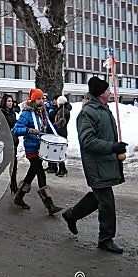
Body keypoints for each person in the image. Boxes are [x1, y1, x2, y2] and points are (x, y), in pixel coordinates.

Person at [62, 77, 127, 254]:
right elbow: (87, 141)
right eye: (107, 91)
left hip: (105, 162)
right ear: (100, 93)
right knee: (107, 202)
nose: (110, 93)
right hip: (96, 165)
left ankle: (71, 215)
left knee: (98, 197)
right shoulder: (88, 112)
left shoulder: (103, 110)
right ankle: (105, 239)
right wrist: (112, 147)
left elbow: (103, 134)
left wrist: (115, 146)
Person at [12, 88, 64, 215]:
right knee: (41, 174)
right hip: (31, 149)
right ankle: (49, 205)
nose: (42, 101)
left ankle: (19, 197)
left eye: (42, 98)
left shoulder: (42, 113)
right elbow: (15, 130)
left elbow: (46, 130)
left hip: (40, 148)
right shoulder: (27, 114)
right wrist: (29, 130)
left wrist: (57, 124)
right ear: (33, 101)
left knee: (31, 174)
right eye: (39, 99)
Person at [0, 94, 19, 193]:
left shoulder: (13, 113)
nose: (10, 103)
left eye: (11, 101)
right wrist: (7, 134)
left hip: (13, 141)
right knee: (13, 163)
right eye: (8, 101)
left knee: (7, 162)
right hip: (6, 141)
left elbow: (14, 124)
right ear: (4, 102)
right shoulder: (1, 114)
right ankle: (13, 186)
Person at [53, 95, 72, 177]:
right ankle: (61, 168)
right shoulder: (65, 110)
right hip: (63, 132)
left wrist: (55, 127)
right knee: (60, 151)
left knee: (59, 151)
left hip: (60, 133)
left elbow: (60, 123)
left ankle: (62, 169)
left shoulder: (62, 111)